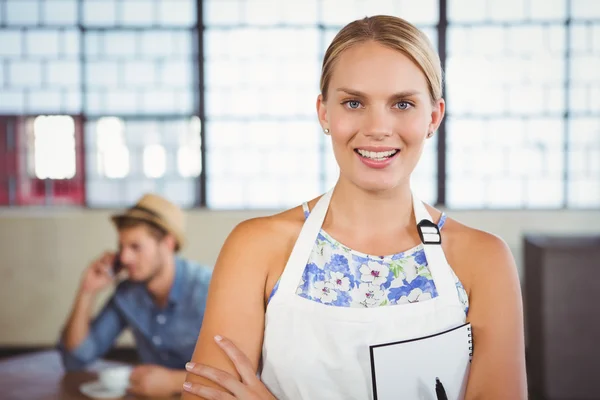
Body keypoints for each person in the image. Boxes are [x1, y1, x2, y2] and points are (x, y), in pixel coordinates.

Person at [181, 15, 527, 400]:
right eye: (353, 102)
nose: (378, 127)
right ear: (324, 113)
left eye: (402, 103)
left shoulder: (484, 261)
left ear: (433, 117)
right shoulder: (255, 248)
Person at [57, 193, 212, 398]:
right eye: (121, 246)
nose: (124, 257)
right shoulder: (128, 293)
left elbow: (240, 372)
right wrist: (87, 291)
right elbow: (76, 359)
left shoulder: (207, 289)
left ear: (168, 243)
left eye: (135, 247)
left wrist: (175, 382)